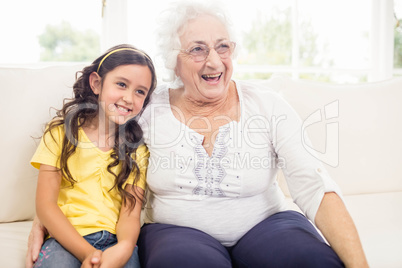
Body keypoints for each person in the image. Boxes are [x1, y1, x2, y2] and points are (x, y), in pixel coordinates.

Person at [27, 1, 369, 267]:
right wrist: (47, 223)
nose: (214, 62)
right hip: (178, 232)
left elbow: (314, 186)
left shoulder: (268, 105)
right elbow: (92, 163)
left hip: (268, 224)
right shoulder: (145, 108)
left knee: (310, 261)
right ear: (173, 61)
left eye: (223, 47)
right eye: (198, 49)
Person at [27, 44, 157, 268]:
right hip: (65, 239)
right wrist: (88, 253)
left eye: (139, 92)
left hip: (115, 242)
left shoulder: (137, 150)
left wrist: (125, 247)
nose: (128, 97)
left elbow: (130, 214)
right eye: (121, 84)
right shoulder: (60, 133)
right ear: (96, 83)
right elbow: (45, 205)